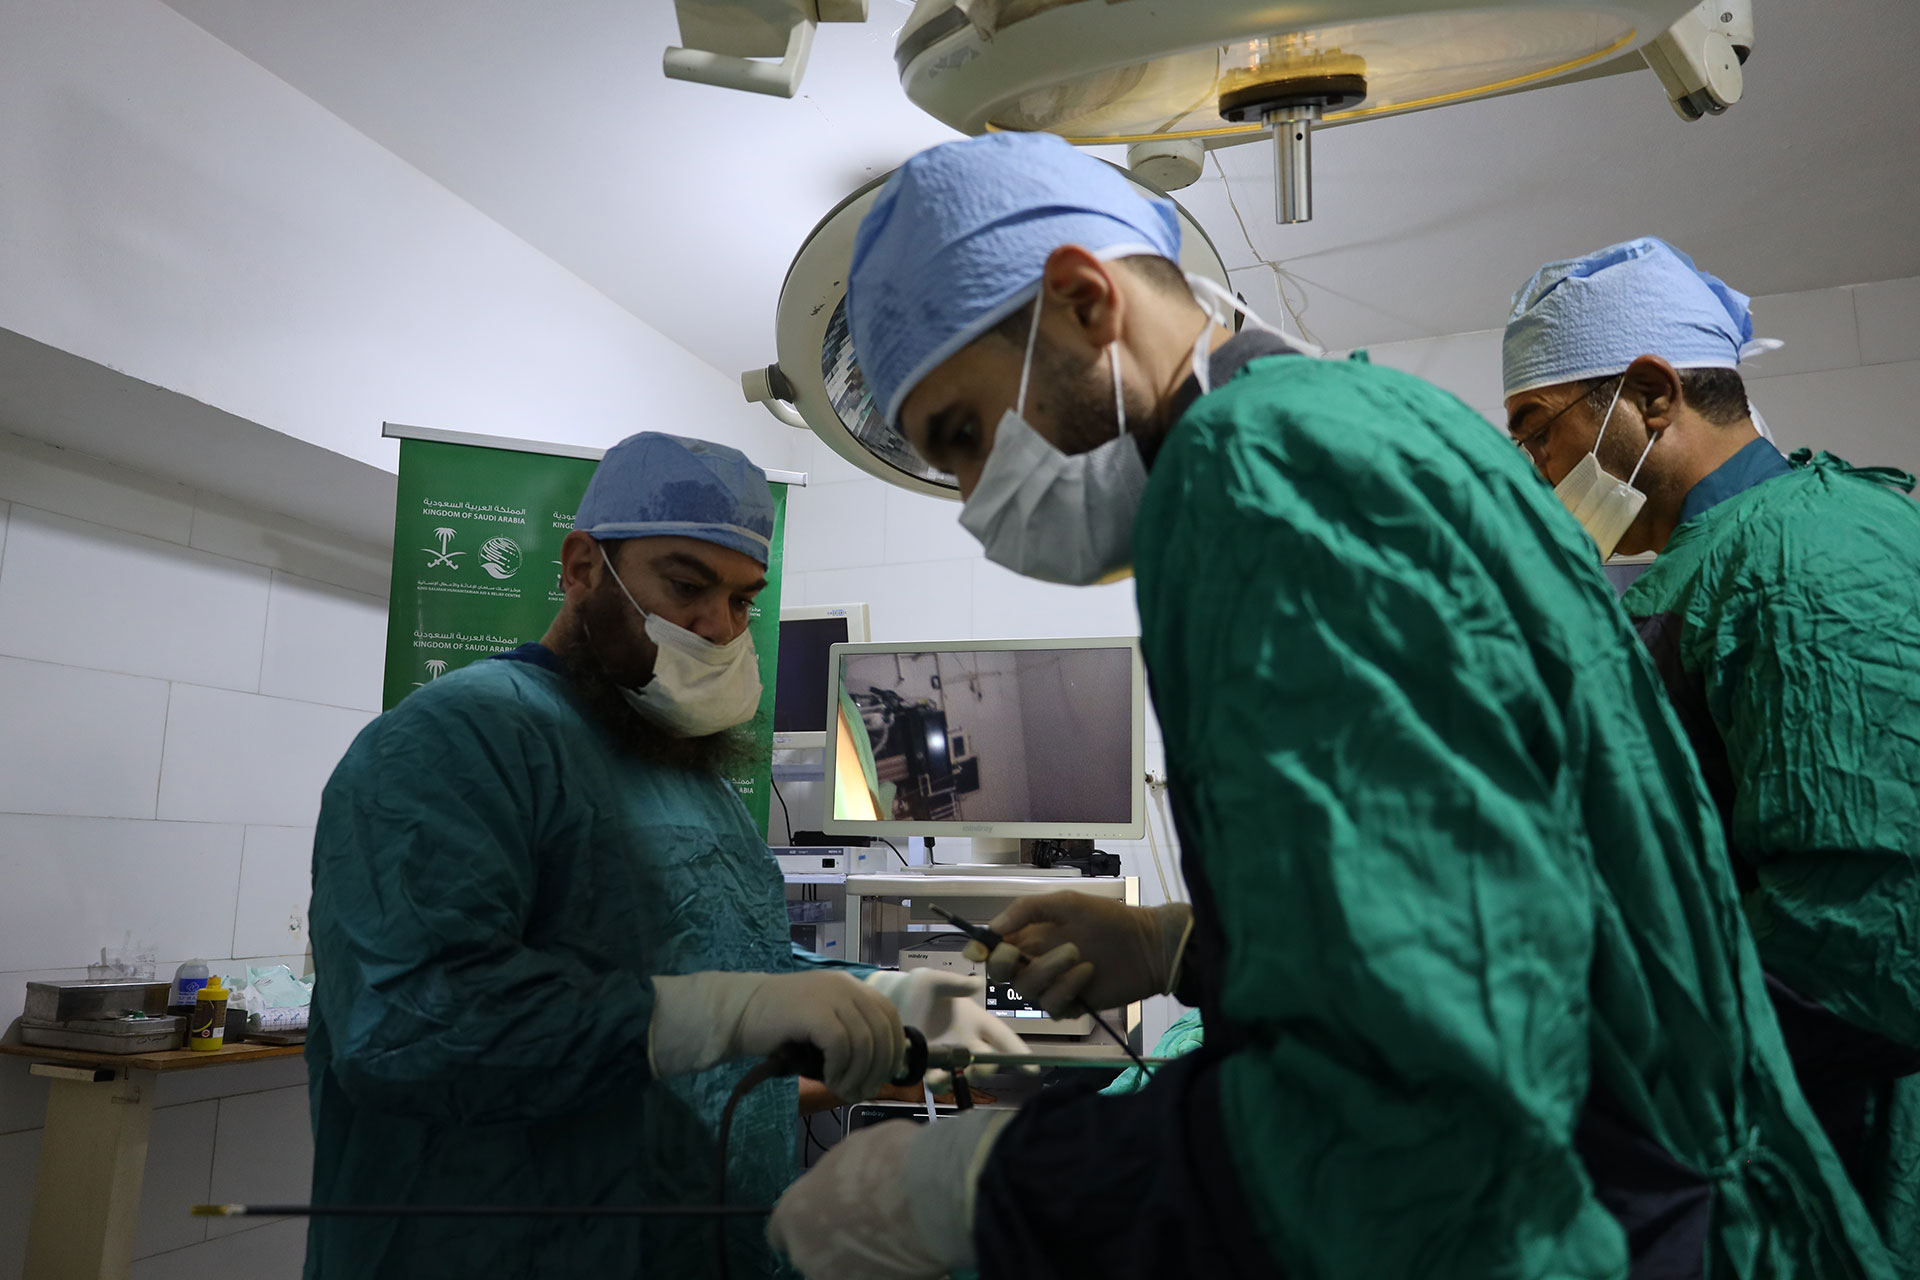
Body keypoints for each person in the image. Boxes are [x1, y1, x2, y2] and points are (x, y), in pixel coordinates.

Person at [764, 132, 1893, 1280]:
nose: (970, 500)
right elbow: (1492, 900)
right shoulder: (1367, 423)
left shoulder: (1258, 479)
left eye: (963, 436)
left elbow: (1413, 1098)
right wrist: (1185, 944)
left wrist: (977, 1185)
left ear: (1082, 298)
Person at [304, 431, 1022, 1280]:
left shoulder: (685, 774)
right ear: (580, 569)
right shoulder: (458, 741)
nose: (717, 628)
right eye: (686, 586)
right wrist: (729, 1013)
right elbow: (410, 1025)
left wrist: (883, 997)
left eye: (743, 601)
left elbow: (711, 949)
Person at [1502, 237, 1920, 1269]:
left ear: (1649, 394)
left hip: (1821, 1139)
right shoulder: (1713, 560)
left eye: (1537, 430)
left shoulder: (1806, 552)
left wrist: (1615, 1068)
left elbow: (1861, 945)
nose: (1532, 470)